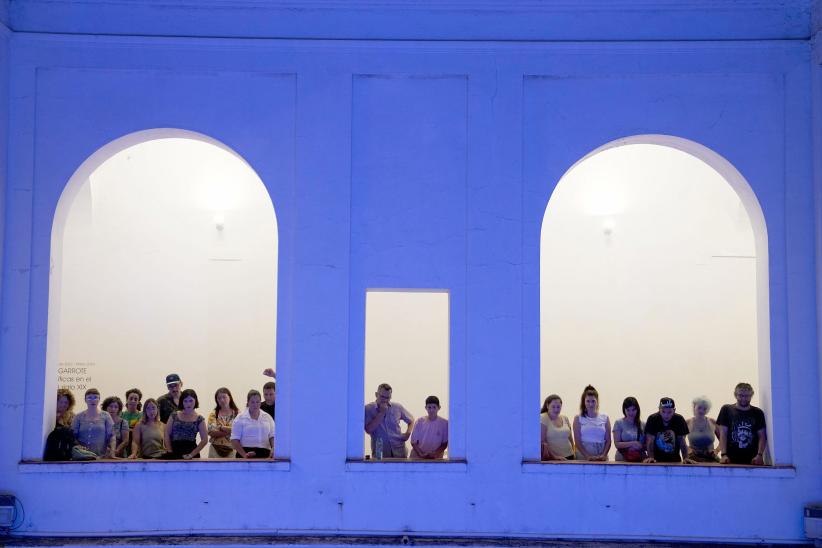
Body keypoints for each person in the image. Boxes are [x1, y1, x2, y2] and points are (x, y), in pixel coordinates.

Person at [717, 382, 767, 465]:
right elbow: (723, 433)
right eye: (740, 395)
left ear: (752, 395)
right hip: (730, 459)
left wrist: (760, 455)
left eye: (747, 396)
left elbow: (762, 436)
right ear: (735, 395)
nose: (743, 399)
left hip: (752, 460)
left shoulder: (758, 413)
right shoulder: (726, 409)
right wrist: (723, 454)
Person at [364, 383, 414, 459]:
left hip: (399, 451)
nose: (385, 400)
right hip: (380, 452)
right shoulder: (368, 409)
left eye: (388, 398)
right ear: (376, 394)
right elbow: (368, 429)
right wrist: (382, 413)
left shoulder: (397, 407)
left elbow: (411, 420)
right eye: (382, 397)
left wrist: (407, 434)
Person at [644, 397, 692, 463]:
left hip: (675, 461)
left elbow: (682, 441)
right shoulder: (653, 419)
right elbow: (650, 441)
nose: (666, 415)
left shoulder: (679, 419)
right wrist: (651, 457)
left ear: (674, 410)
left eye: (669, 412)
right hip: (656, 460)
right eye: (663, 411)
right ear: (659, 410)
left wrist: (685, 458)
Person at [163, 388, 208, 459]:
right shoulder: (174, 415)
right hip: (174, 451)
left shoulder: (199, 419)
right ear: (182, 402)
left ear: (195, 401)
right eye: (185, 401)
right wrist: (169, 450)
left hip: (191, 452)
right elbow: (167, 434)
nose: (188, 404)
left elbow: (205, 439)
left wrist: (191, 454)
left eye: (191, 401)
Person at [231, 390, 275, 459]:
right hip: (244, 453)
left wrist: (273, 448)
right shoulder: (240, 418)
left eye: (257, 402)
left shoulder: (267, 417)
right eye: (252, 402)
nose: (255, 405)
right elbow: (234, 440)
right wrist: (245, 455)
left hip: (265, 454)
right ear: (248, 402)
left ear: (260, 402)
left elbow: (272, 436)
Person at [71, 388, 115, 458]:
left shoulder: (106, 415)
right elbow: (73, 436)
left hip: (100, 457)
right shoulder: (78, 417)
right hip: (81, 457)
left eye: (95, 397)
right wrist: (77, 446)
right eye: (89, 398)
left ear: (99, 400)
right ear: (85, 400)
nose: (92, 400)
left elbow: (112, 436)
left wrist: (112, 452)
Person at [573, 385, 610, 461]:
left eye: (593, 401)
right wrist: (587, 456)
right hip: (583, 456)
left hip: (601, 455)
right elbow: (577, 441)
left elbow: (608, 440)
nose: (591, 404)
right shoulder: (578, 418)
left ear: (597, 401)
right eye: (588, 401)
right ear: (584, 402)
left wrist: (603, 455)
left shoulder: (605, 417)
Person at [540, 394, 574, 461]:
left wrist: (574, 452)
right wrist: (555, 457)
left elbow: (570, 438)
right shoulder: (543, 417)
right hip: (553, 459)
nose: (556, 409)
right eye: (553, 407)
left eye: (558, 407)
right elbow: (543, 441)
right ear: (547, 406)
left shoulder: (565, 418)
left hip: (570, 455)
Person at [208, 387, 239, 458]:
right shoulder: (213, 414)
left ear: (229, 398)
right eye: (219, 398)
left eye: (224, 397)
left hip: (232, 449)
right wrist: (230, 431)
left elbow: (239, 431)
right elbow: (211, 432)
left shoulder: (237, 414)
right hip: (215, 449)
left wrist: (221, 428)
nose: (222, 400)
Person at [687, 396, 719, 462]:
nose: (701, 411)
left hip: (711, 457)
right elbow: (680, 440)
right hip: (693, 458)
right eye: (699, 408)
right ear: (694, 407)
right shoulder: (687, 422)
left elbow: (723, 440)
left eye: (705, 409)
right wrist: (688, 450)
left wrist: (717, 450)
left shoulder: (713, 422)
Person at [613, 396, 646, 462]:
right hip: (622, 458)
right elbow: (617, 444)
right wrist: (633, 443)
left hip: (640, 459)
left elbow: (648, 445)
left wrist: (640, 446)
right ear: (624, 410)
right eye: (628, 410)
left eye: (633, 410)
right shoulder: (619, 423)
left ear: (637, 409)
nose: (631, 413)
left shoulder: (643, 424)